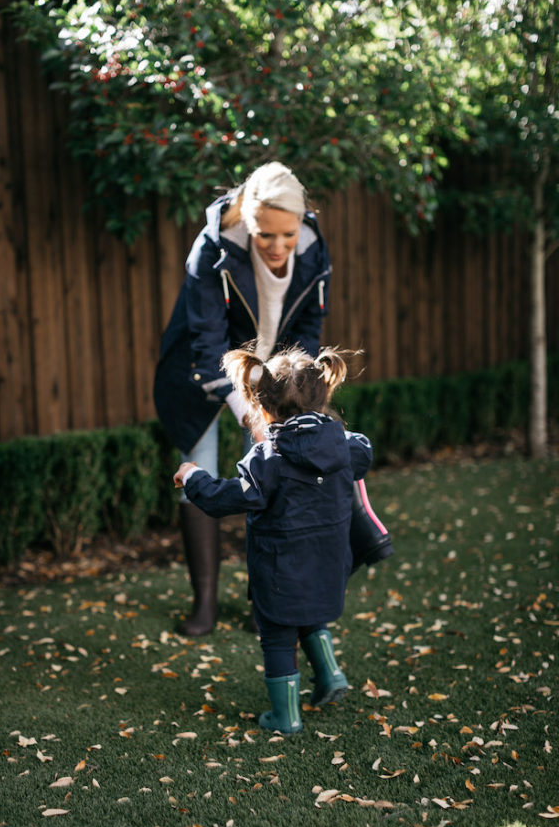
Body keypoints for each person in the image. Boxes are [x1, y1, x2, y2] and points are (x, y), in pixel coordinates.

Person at [154, 160, 392, 637]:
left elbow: (306, 333)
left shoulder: (312, 248)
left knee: (270, 481)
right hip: (202, 371)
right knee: (197, 464)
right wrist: (253, 420)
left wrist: (291, 396)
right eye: (266, 236)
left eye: (289, 234)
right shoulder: (213, 251)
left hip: (273, 378)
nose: (280, 247)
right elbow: (208, 347)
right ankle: (204, 603)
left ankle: (267, 604)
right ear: (247, 218)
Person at [173, 345, 372, 734]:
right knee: (310, 615)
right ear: (324, 395)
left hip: (281, 571)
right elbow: (362, 449)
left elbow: (226, 497)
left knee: (279, 637)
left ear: (263, 410)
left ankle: (286, 717)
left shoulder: (268, 460)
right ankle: (330, 676)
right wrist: (329, 434)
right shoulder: (344, 447)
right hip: (330, 566)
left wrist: (194, 476)